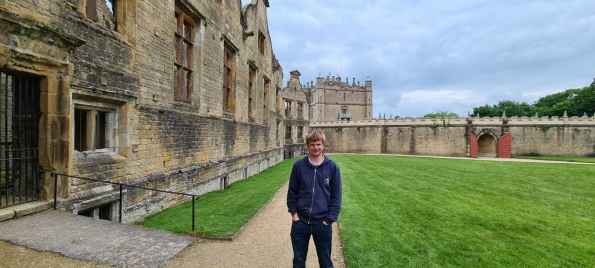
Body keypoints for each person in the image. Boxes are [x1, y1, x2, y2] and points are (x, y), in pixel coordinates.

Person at [287, 130, 342, 268]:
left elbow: (336, 197)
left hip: (322, 224)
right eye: (312, 145)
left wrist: (329, 220)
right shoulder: (298, 166)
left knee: (326, 262)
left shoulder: (333, 167)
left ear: (323, 145)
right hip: (300, 223)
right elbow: (291, 193)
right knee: (298, 261)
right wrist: (294, 215)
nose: (315, 148)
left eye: (318, 144)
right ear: (307, 146)